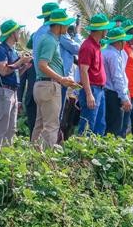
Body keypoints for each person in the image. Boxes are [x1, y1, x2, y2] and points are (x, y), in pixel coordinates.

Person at [32, 10, 79, 148]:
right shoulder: (51, 41)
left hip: (41, 84)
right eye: (65, 25)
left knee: (40, 125)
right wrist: (61, 79)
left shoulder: (46, 38)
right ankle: (48, 161)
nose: (67, 28)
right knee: (52, 126)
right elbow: (42, 64)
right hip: (49, 86)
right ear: (59, 26)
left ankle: (33, 157)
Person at [0, 20, 32, 149]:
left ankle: (6, 155)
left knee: (11, 128)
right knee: (1, 125)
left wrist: (25, 65)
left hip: (13, 91)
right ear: (12, 33)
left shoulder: (12, 50)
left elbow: (14, 71)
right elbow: (3, 71)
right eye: (18, 31)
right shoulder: (1, 49)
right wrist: (20, 61)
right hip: (3, 91)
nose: (19, 33)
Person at [78, 13, 115, 135]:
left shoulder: (97, 45)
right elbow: (83, 70)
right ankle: (82, 152)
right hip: (92, 89)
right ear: (101, 30)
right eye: (106, 28)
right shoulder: (88, 46)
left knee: (100, 125)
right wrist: (89, 94)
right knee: (88, 126)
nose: (107, 30)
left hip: (99, 90)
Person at [102, 27, 133, 136]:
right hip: (113, 94)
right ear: (119, 42)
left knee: (111, 126)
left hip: (110, 92)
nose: (125, 42)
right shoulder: (113, 55)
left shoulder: (107, 52)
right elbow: (117, 77)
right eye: (124, 40)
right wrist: (124, 97)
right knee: (114, 128)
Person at [18, 33, 37, 137]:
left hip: (45, 97)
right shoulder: (28, 59)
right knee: (33, 127)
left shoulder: (48, 59)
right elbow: (21, 82)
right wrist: (19, 100)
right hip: (31, 99)